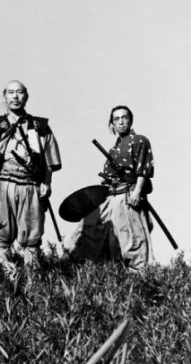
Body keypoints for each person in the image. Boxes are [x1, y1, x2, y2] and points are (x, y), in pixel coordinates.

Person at [65, 106, 155, 270]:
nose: (120, 122)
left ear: (130, 120)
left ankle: (138, 278)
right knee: (89, 231)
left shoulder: (139, 140)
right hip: (111, 197)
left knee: (131, 241)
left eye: (124, 117)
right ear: (111, 124)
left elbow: (144, 169)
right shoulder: (114, 149)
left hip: (128, 195)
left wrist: (137, 192)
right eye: (116, 119)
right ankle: (88, 272)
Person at [0, 80, 61, 267]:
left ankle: (32, 279)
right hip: (2, 183)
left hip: (30, 185)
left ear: (26, 96)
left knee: (32, 238)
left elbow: (50, 160)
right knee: (0, 235)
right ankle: (4, 276)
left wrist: (46, 183)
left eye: (19, 92)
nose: (15, 97)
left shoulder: (40, 126)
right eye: (11, 92)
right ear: (4, 96)